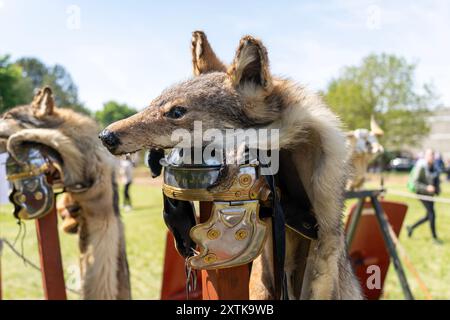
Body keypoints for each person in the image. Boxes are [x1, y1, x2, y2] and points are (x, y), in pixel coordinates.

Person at [407, 149, 442, 244]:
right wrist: (427, 187)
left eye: (433, 155)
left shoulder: (434, 167)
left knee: (428, 216)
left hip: (430, 195)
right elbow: (415, 183)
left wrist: (437, 189)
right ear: (426, 156)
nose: (432, 157)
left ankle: (411, 227)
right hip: (422, 193)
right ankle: (434, 238)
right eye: (430, 155)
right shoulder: (421, 167)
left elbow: (436, 181)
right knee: (432, 214)